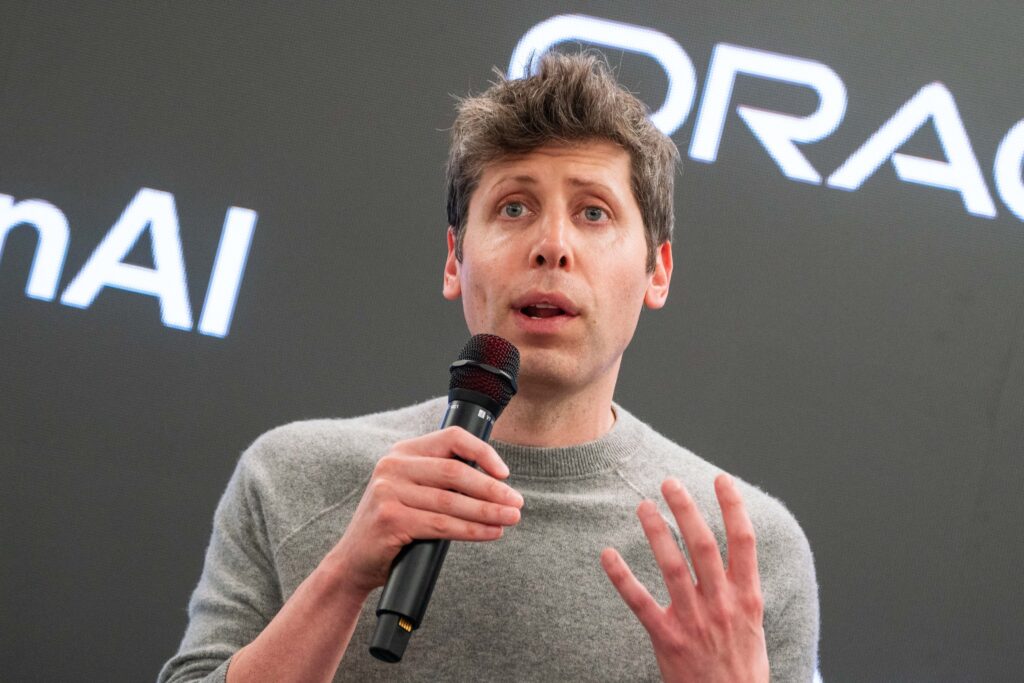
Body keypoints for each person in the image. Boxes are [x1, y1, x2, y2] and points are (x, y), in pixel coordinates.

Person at [159, 51, 818, 682]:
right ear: (455, 259)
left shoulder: (746, 551)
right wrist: (343, 576)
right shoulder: (289, 478)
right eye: (514, 208)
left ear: (657, 270)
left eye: (593, 212)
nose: (552, 246)